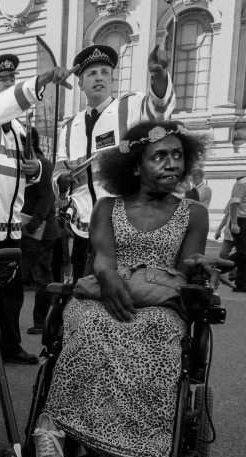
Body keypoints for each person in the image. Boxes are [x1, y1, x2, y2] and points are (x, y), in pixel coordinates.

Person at [33, 122, 212, 457]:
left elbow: (186, 268)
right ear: (135, 166)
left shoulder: (193, 213)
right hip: (106, 292)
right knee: (88, 322)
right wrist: (106, 273)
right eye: (160, 156)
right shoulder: (107, 206)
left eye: (178, 155)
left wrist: (201, 268)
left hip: (159, 299)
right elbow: (103, 257)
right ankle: (53, 427)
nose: (172, 164)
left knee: (161, 330)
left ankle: (151, 452)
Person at [0, 53, 75, 365]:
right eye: (2, 79)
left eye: (11, 78)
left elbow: (23, 174)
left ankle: (9, 347)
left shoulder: (19, 130)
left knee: (10, 290)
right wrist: (43, 80)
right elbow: (5, 105)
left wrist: (33, 170)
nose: (8, 83)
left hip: (8, 224)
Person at [53, 44, 175, 282]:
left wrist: (158, 75)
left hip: (121, 223)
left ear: (112, 78)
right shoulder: (68, 127)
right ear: (81, 83)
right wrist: (61, 180)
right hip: (82, 223)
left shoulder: (130, 106)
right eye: (91, 73)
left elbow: (159, 108)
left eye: (105, 72)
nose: (99, 77)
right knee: (82, 286)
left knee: (119, 286)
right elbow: (59, 168)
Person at [20, 128, 58, 335]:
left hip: (39, 231)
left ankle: (42, 321)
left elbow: (46, 199)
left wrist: (31, 225)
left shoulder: (42, 164)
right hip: (27, 228)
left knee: (42, 277)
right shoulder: (29, 163)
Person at [226, 175, 246, 292]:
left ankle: (241, 284)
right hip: (240, 220)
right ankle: (216, 268)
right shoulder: (242, 183)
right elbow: (234, 203)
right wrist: (234, 223)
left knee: (244, 255)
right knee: (243, 254)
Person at [214, 194, 238, 288]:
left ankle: (239, 277)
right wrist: (219, 229)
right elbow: (226, 217)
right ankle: (233, 273)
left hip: (241, 232)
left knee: (241, 254)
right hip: (229, 233)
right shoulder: (231, 201)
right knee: (223, 253)